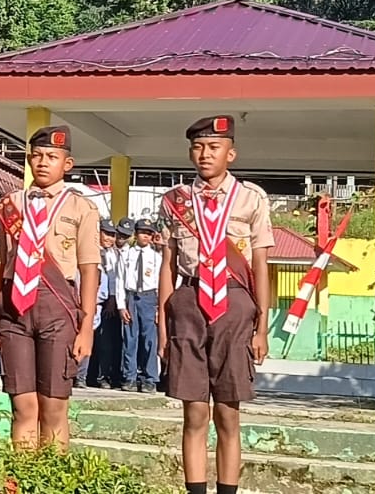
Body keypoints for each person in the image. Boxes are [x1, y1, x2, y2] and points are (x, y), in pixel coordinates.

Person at [158, 116, 274, 494]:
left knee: (228, 411)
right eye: (198, 147)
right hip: (189, 302)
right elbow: (168, 264)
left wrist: (261, 327)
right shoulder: (175, 201)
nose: (204, 154)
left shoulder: (251, 198)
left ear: (231, 153)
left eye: (214, 147)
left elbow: (260, 265)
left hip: (235, 303)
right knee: (193, 412)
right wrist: (163, 325)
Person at [0, 126, 99, 447]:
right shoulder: (9, 205)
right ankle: (23, 479)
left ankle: (51, 478)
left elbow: (90, 270)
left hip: (58, 308)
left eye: (52, 157)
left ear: (68, 163)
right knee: (23, 405)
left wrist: (86, 326)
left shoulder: (81, 208)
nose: (42, 163)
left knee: (53, 406)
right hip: (13, 311)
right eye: (36, 156)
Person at [84, 219, 130, 388]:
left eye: (113, 235)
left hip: (107, 302)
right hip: (90, 301)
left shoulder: (114, 254)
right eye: (107, 234)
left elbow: (114, 279)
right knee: (91, 339)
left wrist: (112, 299)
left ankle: (103, 375)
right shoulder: (92, 250)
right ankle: (87, 374)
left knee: (106, 343)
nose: (110, 238)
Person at [119, 218, 163, 392]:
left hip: (149, 297)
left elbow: (160, 283)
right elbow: (120, 280)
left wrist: (159, 307)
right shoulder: (126, 254)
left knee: (149, 340)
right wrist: (121, 305)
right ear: (136, 234)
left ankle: (149, 378)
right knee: (130, 338)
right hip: (131, 297)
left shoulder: (156, 257)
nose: (146, 236)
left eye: (149, 233)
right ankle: (129, 376)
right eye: (143, 232)